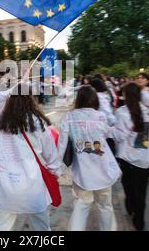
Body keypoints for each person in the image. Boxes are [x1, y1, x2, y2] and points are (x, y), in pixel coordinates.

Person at [0, 84, 61, 231]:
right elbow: (51, 155)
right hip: (32, 186)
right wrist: (55, 172)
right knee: (41, 227)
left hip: (3, 185)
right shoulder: (38, 122)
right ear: (31, 99)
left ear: (10, 100)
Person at [58, 86, 121, 231]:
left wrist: (57, 167)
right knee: (105, 205)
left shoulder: (70, 116)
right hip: (104, 168)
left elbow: (62, 143)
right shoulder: (100, 116)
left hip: (82, 172)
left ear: (78, 99)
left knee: (81, 205)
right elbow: (109, 134)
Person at [113, 82, 149, 231]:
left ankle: (130, 207)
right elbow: (147, 137)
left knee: (129, 188)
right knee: (141, 192)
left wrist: (108, 129)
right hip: (145, 159)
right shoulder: (146, 111)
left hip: (128, 159)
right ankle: (139, 220)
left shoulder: (122, 112)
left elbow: (119, 136)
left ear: (125, 94)